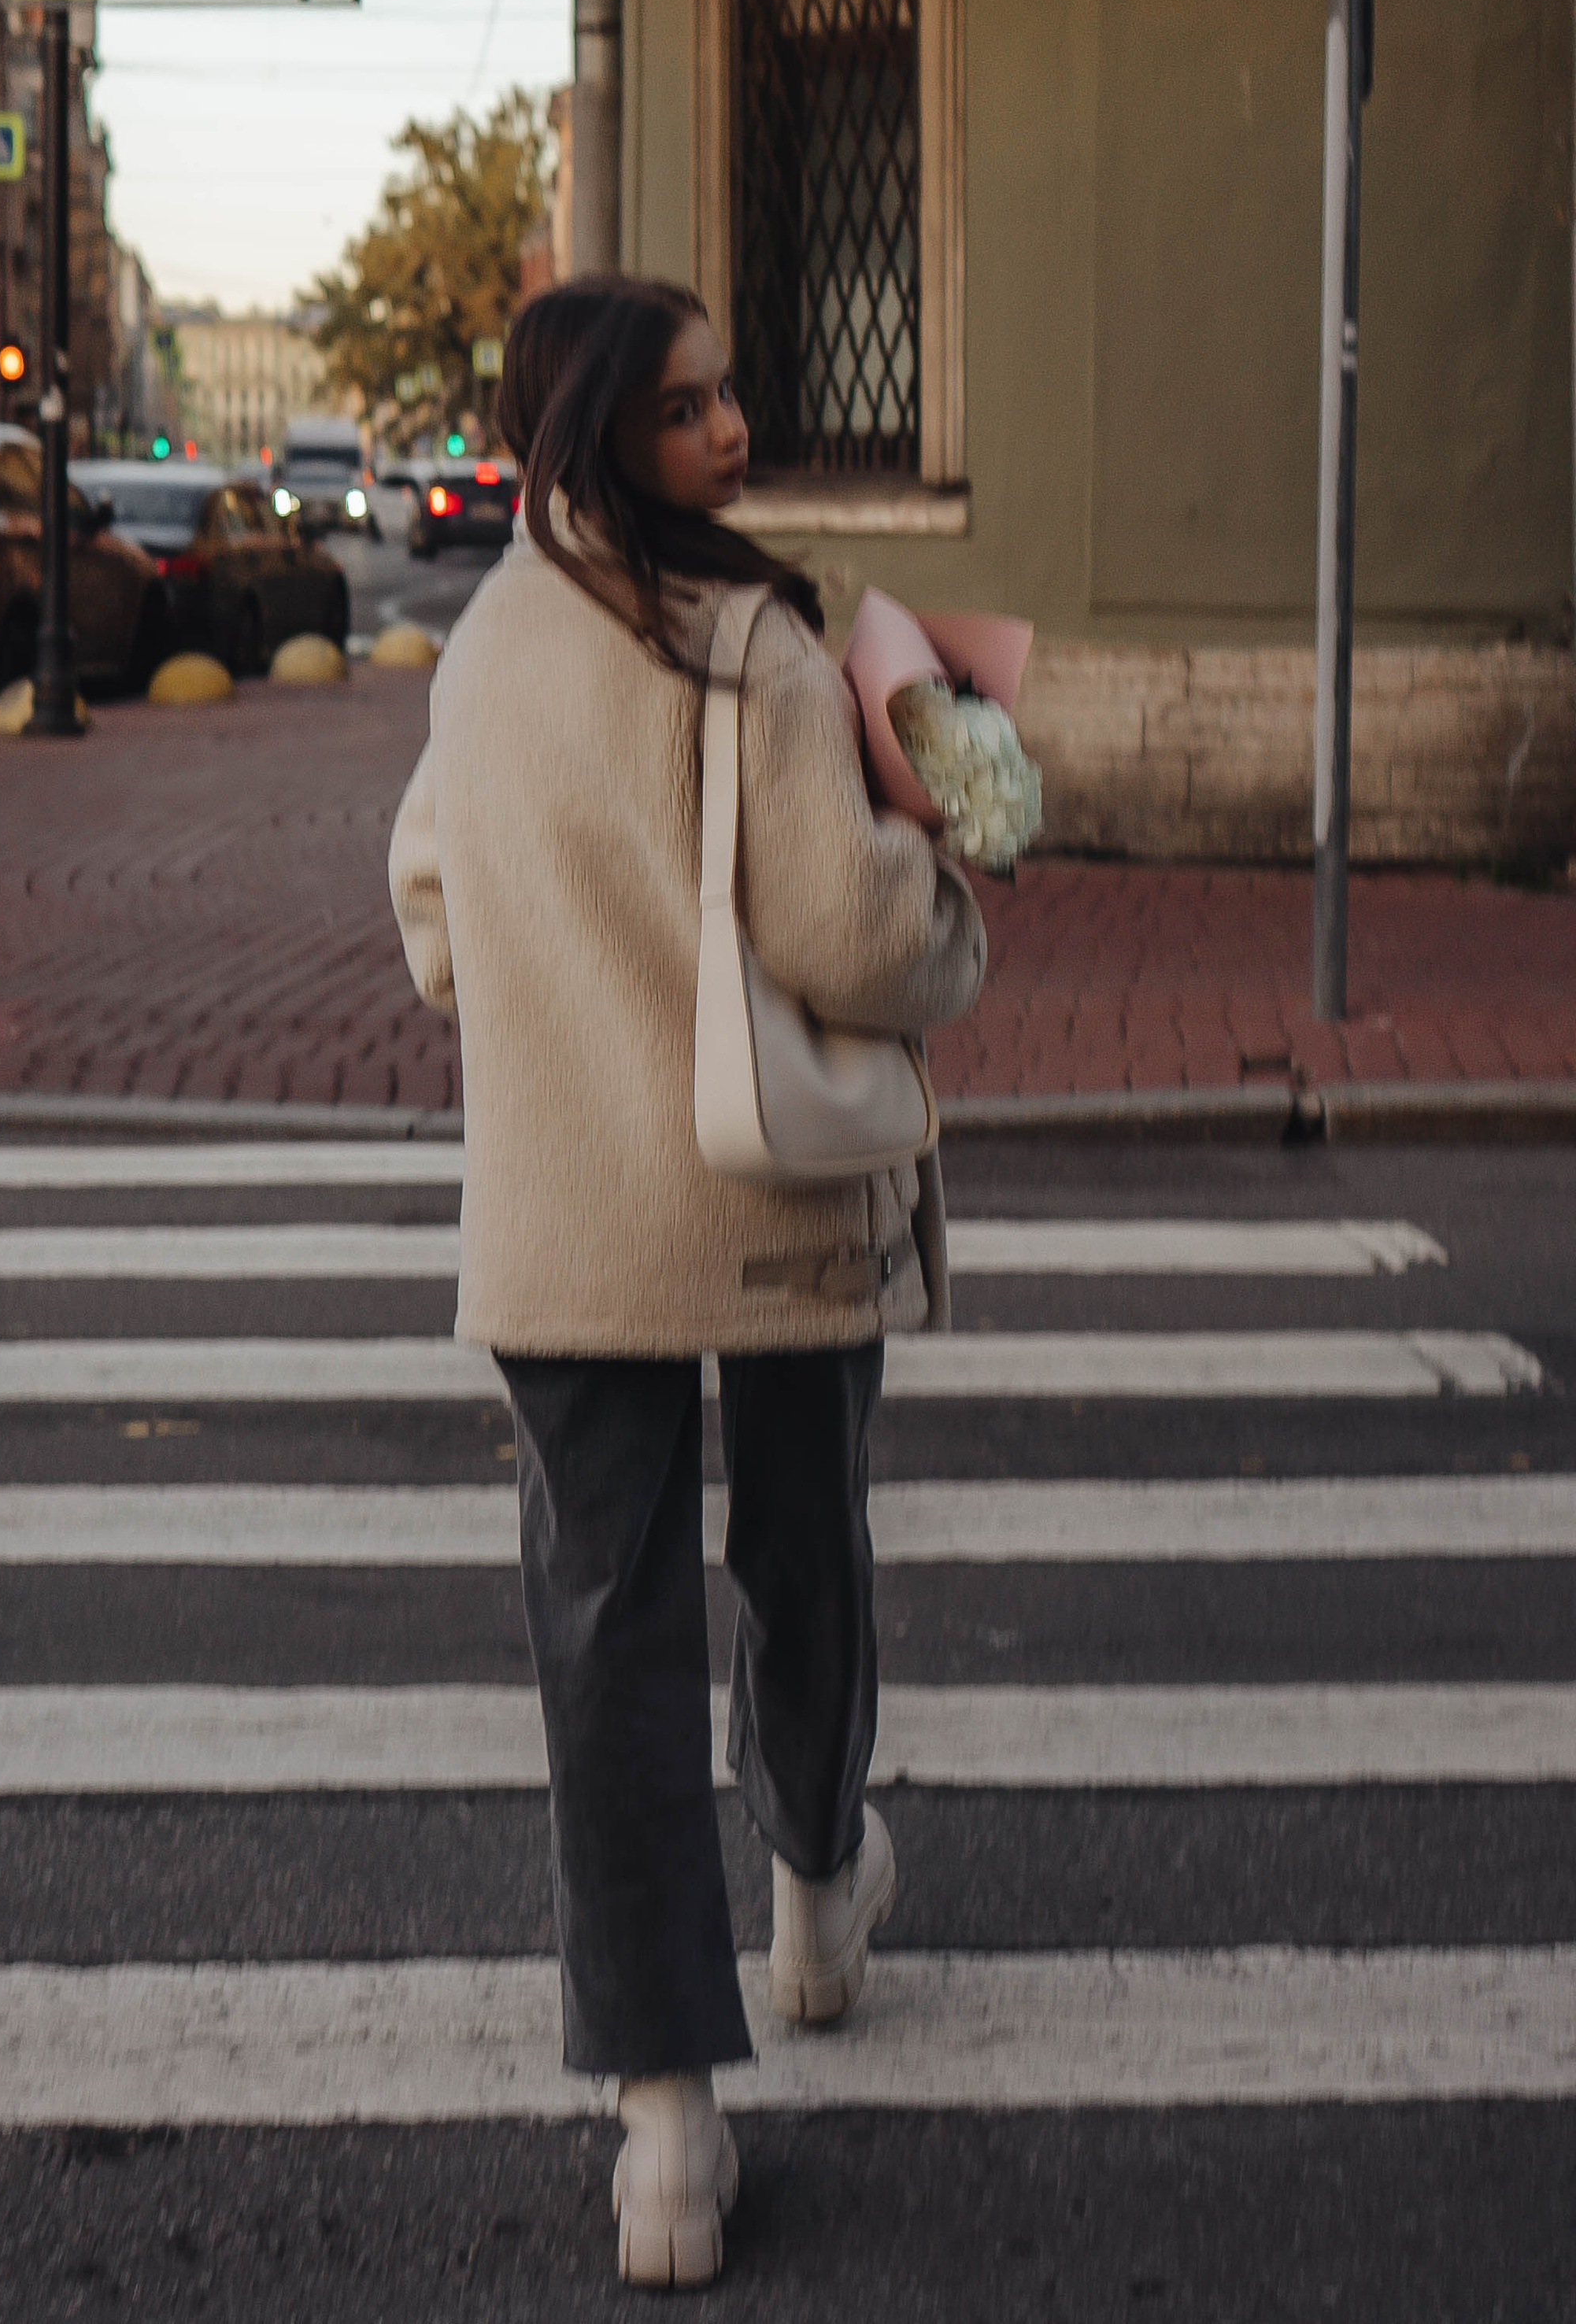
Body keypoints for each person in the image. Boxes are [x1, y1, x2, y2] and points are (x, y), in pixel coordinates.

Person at [389, 276, 987, 2290]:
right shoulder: (753, 642)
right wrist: (952, 891)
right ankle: (812, 1894)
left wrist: (563, 981)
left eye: (727, 396)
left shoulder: (487, 642)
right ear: (588, 432)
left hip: (564, 1216)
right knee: (802, 1551)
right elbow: (848, 929)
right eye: (683, 409)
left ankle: (663, 2126)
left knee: (601, 1642)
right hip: (771, 1190)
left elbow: (427, 909)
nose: (728, 432)